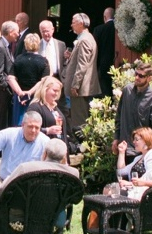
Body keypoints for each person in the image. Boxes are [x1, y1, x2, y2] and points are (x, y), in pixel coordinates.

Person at [114, 61, 152, 166]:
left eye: (141, 76)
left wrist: (147, 150)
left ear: (149, 78)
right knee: (122, 175)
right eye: (136, 74)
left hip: (140, 153)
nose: (137, 77)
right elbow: (119, 116)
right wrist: (116, 138)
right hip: (124, 148)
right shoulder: (127, 91)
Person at [65, 12, 103, 142]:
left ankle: (83, 146)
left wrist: (75, 84)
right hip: (83, 87)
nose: (71, 25)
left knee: (80, 120)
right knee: (82, 118)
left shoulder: (84, 40)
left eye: (73, 22)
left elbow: (82, 64)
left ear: (81, 24)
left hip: (81, 88)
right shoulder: (86, 38)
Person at [8, 34, 48, 127]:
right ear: (38, 44)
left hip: (20, 98)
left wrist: (20, 93)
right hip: (36, 97)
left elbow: (10, 78)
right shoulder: (43, 61)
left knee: (19, 123)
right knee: (35, 123)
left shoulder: (18, 59)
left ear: (25, 44)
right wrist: (29, 93)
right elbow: (43, 81)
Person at [0, 22, 18, 137]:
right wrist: (6, 87)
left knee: (4, 119)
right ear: (10, 32)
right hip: (2, 91)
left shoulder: (5, 45)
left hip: (5, 91)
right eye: (16, 32)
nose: (18, 34)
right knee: (1, 120)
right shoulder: (0, 47)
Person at [37, 19, 66, 83]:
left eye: (47, 31)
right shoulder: (37, 45)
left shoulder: (61, 45)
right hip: (42, 80)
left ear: (53, 29)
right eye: (43, 31)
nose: (45, 34)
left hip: (57, 78)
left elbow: (65, 62)